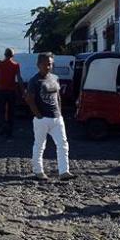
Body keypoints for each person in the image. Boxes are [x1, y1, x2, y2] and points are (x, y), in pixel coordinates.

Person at [25, 52, 74, 181]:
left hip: (57, 118)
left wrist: (60, 113)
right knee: (40, 145)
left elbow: (58, 97)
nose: (48, 67)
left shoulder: (55, 78)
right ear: (38, 65)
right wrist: (38, 115)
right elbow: (29, 99)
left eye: (50, 64)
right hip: (42, 119)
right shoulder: (34, 81)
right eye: (45, 64)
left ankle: (64, 171)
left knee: (63, 144)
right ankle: (38, 171)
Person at [0, 48, 23, 138]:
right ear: (12, 55)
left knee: (1, 111)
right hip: (12, 91)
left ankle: (3, 127)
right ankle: (10, 130)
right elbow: (19, 79)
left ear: (4, 54)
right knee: (11, 112)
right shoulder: (16, 65)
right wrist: (23, 91)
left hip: (1, 91)